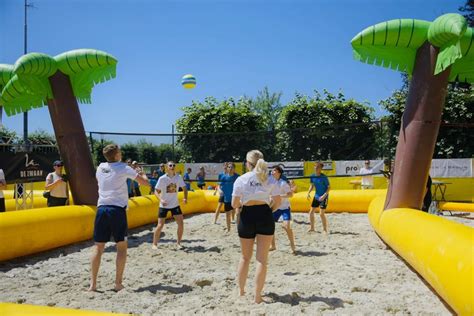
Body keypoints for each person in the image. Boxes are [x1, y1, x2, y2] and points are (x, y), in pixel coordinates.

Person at [89, 144, 149, 292]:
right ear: (116, 155)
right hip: (117, 210)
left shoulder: (100, 167)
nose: (121, 154)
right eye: (120, 152)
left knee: (98, 247)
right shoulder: (123, 168)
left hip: (101, 209)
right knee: (121, 247)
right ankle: (117, 283)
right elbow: (145, 184)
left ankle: (93, 285)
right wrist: (142, 173)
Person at [232, 150, 281, 304]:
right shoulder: (270, 178)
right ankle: (257, 297)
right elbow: (278, 201)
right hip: (264, 215)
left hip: (247, 215)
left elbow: (234, 204)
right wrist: (268, 211)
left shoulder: (241, 179)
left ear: (248, 163)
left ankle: (241, 292)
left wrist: (242, 207)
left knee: (245, 257)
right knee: (261, 260)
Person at [152, 161, 188, 250]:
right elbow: (156, 191)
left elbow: (185, 188)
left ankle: (178, 243)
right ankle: (154, 244)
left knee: (181, 224)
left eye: (173, 165)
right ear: (167, 167)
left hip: (175, 205)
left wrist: (185, 198)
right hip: (163, 205)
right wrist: (161, 199)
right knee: (160, 225)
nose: (172, 167)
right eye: (170, 165)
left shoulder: (178, 177)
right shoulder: (162, 178)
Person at [270, 166, 296, 254]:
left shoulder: (283, 183)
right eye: (272, 170)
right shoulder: (270, 182)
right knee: (270, 226)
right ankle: (273, 246)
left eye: (274, 170)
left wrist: (280, 196)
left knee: (286, 226)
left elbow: (290, 195)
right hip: (275, 207)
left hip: (284, 208)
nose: (272, 172)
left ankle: (292, 245)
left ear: (279, 173)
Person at [307, 162, 330, 234]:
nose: (316, 168)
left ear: (321, 168)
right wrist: (308, 192)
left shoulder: (324, 177)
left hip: (324, 196)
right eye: (315, 166)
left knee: (321, 214)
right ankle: (312, 228)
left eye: (317, 167)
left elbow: (329, 188)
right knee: (311, 212)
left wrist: (323, 196)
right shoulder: (312, 176)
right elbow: (312, 185)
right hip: (316, 196)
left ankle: (324, 230)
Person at [219, 162, 239, 232]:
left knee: (238, 214)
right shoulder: (223, 177)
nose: (230, 168)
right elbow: (219, 185)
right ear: (227, 168)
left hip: (236, 198)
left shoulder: (237, 177)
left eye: (232, 167)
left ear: (234, 168)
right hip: (227, 199)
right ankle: (228, 229)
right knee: (227, 215)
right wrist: (220, 190)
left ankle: (239, 229)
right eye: (229, 167)